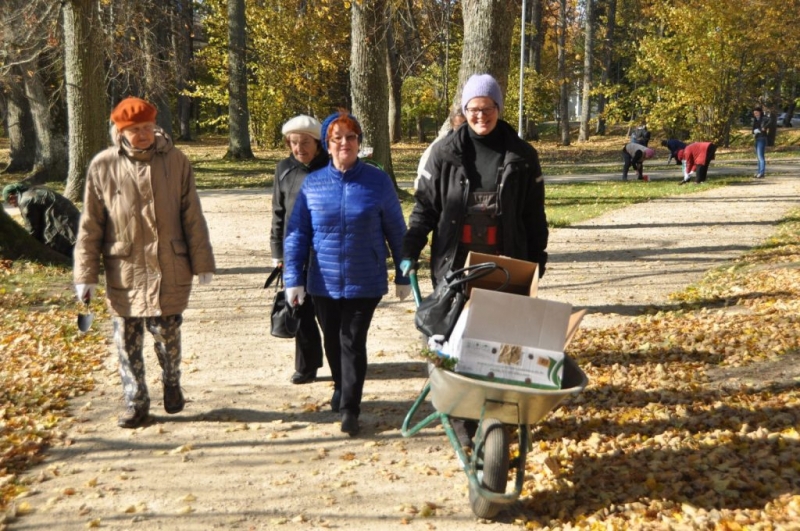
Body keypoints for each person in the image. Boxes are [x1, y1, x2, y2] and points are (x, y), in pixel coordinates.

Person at [399, 73, 549, 449]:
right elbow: (425, 210)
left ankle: (501, 419)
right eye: (473, 109)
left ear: (499, 108)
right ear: (463, 112)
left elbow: (534, 217)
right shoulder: (444, 153)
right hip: (456, 268)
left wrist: (537, 261)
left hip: (506, 265)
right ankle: (464, 423)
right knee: (454, 345)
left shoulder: (522, 155)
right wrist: (408, 250)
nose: (481, 114)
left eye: (488, 107)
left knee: (504, 347)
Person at [73, 97, 216, 429]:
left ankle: (171, 379)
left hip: (169, 266)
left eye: (148, 128)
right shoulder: (103, 166)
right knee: (127, 339)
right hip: (123, 269)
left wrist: (202, 261)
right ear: (121, 132)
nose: (143, 135)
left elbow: (191, 215)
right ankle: (136, 402)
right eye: (135, 130)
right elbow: (91, 225)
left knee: (167, 333)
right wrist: (85, 274)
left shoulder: (176, 162)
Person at [282, 110, 411, 437]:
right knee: (332, 339)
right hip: (322, 280)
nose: (344, 143)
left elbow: (397, 229)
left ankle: (351, 408)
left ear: (359, 143)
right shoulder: (314, 184)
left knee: (352, 340)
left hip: (364, 278)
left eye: (350, 137)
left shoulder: (377, 181)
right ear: (327, 143)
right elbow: (297, 233)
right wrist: (293, 278)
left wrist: (404, 273)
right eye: (337, 138)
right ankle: (341, 384)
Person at [270, 115, 329, 385]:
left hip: (327, 251)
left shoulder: (332, 167)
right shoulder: (283, 169)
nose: (299, 148)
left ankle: (342, 362)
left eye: (305, 142)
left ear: (318, 143)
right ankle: (307, 366)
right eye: (294, 143)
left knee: (329, 313)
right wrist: (278, 254)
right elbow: (278, 215)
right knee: (301, 310)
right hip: (296, 253)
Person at [2, 183, 81, 257]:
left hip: (64, 226)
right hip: (74, 220)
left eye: (11, 203)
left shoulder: (25, 201)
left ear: (11, 197)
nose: (14, 206)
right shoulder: (36, 190)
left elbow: (32, 228)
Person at [415, 105, 466, 181]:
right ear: (452, 125)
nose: (463, 130)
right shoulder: (440, 146)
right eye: (459, 127)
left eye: (465, 126)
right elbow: (423, 173)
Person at [752, 106, 768, 179]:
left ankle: (762, 173)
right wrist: (753, 132)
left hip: (762, 138)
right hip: (757, 138)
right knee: (758, 157)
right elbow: (753, 129)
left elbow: (770, 120)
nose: (756, 114)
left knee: (761, 156)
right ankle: (759, 172)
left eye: (757, 113)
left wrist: (764, 127)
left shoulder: (763, 118)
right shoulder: (756, 120)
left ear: (760, 112)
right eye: (754, 113)